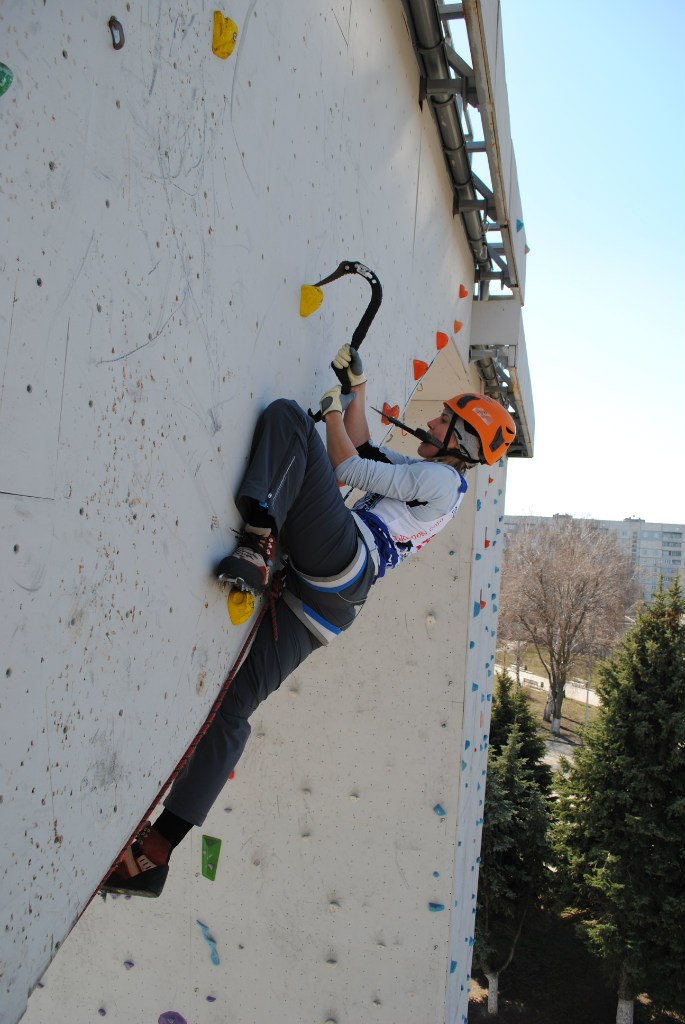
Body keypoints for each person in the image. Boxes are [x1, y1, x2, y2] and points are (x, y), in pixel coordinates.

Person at [102, 345, 516, 897]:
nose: (432, 420)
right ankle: (155, 855)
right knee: (233, 710)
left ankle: (255, 543)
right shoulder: (432, 478)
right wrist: (357, 394)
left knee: (290, 421)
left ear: (460, 441)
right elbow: (365, 447)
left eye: (445, 419)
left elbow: (345, 464)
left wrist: (327, 414)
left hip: (340, 564)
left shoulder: (441, 483)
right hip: (330, 606)